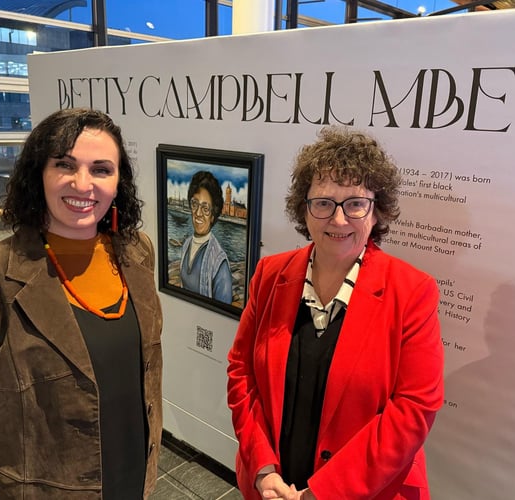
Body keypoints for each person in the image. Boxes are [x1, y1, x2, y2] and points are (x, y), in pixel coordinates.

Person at [0, 108, 163, 499]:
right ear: (38, 174)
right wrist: (22, 462)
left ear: (119, 182)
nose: (83, 184)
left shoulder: (136, 252)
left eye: (101, 169)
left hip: (132, 472)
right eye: (65, 165)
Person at [227, 126, 444, 500]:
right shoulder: (270, 274)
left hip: (366, 491)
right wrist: (262, 467)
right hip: (273, 486)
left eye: (355, 204)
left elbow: (414, 410)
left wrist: (323, 493)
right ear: (304, 208)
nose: (339, 220)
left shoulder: (412, 292)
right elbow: (241, 372)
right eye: (324, 203)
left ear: (377, 212)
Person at [179, 170, 233, 303]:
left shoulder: (220, 263)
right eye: (195, 204)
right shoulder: (186, 245)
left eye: (205, 208)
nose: (198, 213)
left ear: (213, 216)